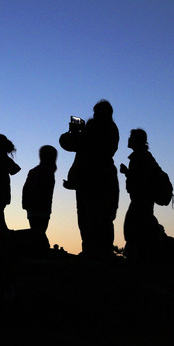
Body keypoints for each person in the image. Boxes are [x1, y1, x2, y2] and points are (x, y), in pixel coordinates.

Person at [72, 100, 119, 259]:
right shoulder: (105, 129)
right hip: (90, 178)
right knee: (87, 217)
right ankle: (92, 250)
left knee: (97, 217)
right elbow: (72, 145)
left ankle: (99, 252)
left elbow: (85, 147)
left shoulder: (103, 130)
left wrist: (81, 134)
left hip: (96, 178)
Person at [120, 129, 161, 263]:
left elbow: (141, 181)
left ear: (137, 140)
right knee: (138, 230)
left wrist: (127, 172)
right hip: (142, 201)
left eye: (131, 137)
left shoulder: (140, 157)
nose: (128, 139)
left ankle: (138, 263)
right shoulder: (143, 156)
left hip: (141, 201)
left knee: (135, 231)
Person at [22, 145, 57, 234]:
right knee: (39, 233)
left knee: (37, 233)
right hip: (42, 208)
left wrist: (25, 203)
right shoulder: (49, 172)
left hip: (34, 207)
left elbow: (26, 189)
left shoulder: (35, 171)